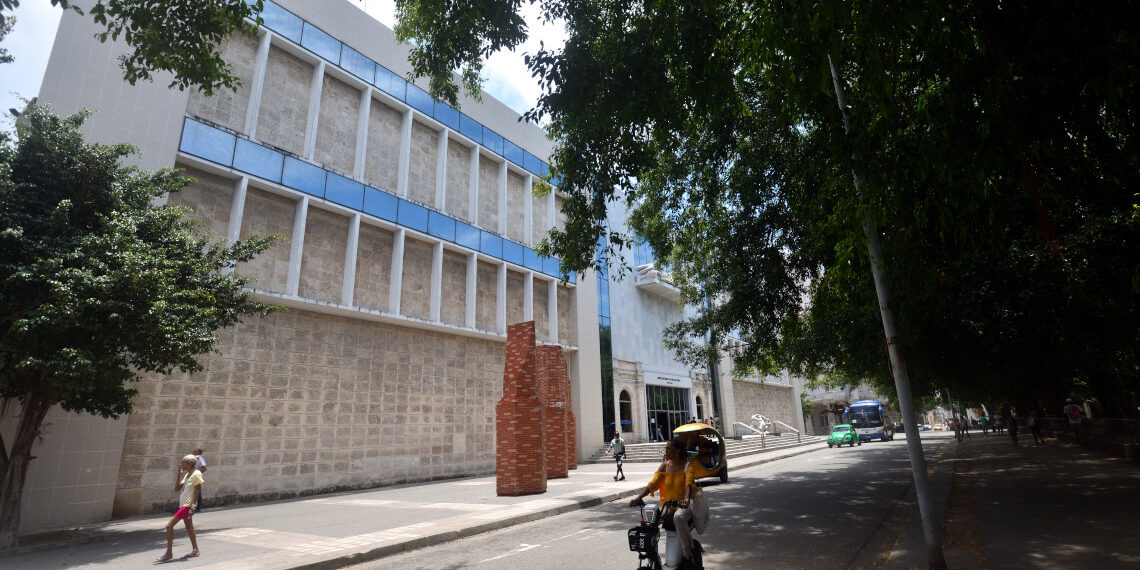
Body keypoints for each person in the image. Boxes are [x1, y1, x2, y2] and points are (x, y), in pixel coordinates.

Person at [628, 438, 705, 569]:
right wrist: (638, 498)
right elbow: (653, 484)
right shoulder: (665, 466)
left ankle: (687, 550)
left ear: (677, 451)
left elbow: (689, 484)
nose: (666, 451)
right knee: (650, 518)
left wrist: (686, 499)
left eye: (669, 448)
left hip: (684, 505)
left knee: (678, 517)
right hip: (668, 505)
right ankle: (652, 554)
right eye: (666, 448)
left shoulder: (688, 466)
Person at [158, 454, 203, 562]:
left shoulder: (196, 474)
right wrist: (179, 475)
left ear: (189, 464)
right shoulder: (187, 475)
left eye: (183, 463)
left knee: (169, 526)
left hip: (188, 506)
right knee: (189, 527)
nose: (181, 464)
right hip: (183, 504)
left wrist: (193, 506)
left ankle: (169, 553)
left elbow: (197, 490)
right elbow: (177, 488)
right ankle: (195, 550)